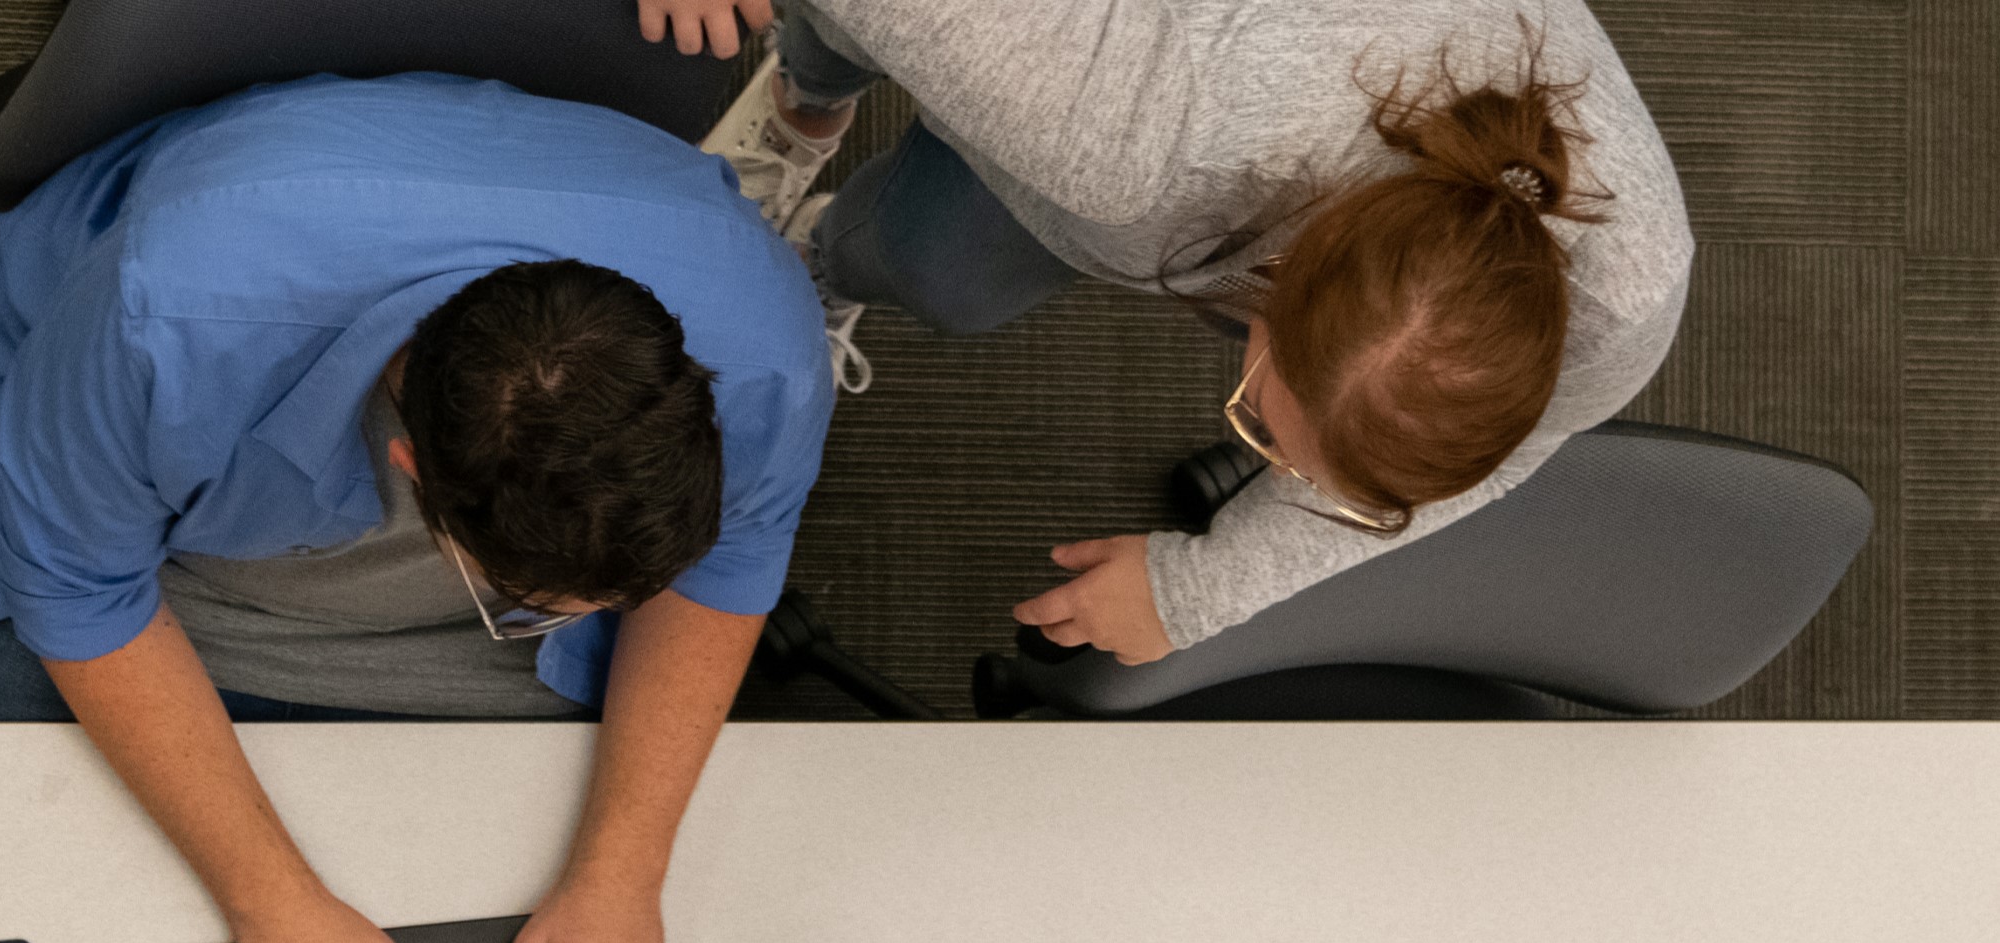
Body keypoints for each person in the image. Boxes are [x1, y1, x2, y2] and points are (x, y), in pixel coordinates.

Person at [0, 73, 837, 943]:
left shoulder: (763, 354)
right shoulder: (165, 316)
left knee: (520, 915)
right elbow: (75, 591)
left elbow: (716, 585)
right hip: (155, 546)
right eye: (521, 605)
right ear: (408, 469)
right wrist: (278, 910)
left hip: (387, 528)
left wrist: (619, 879)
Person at [643, 0, 1692, 662]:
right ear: (1267, 301)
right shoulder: (1133, 136)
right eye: (1261, 431)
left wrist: (1202, 590)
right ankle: (807, 97)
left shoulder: (1619, 306)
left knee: (946, 279)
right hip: (1155, 106)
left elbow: (1514, 454)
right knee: (873, 72)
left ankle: (820, 256)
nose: (1274, 465)